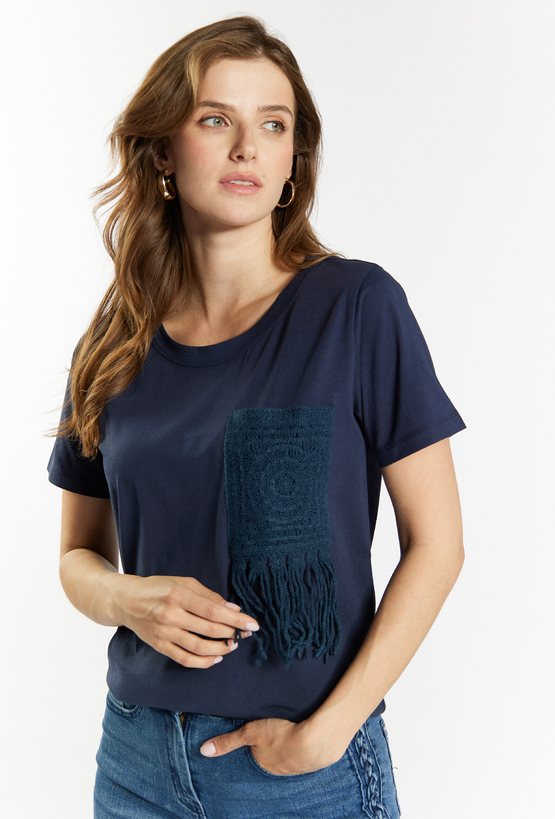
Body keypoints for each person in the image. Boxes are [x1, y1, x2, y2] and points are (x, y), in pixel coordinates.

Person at [45, 14, 467, 819]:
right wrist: (129, 599)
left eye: (272, 125)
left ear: (292, 159)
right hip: (135, 759)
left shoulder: (355, 307)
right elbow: (76, 556)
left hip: (301, 770)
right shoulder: (115, 338)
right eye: (215, 120)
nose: (247, 148)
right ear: (162, 152)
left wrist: (327, 733)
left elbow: (438, 545)